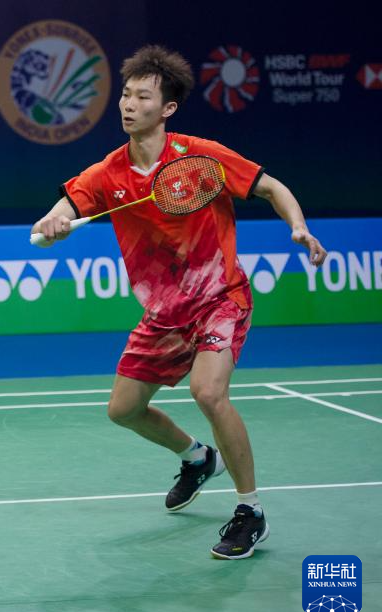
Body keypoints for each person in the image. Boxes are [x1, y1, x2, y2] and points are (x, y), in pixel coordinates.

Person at [33, 46, 326, 559]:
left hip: (220, 297)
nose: (129, 104)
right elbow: (69, 202)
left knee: (207, 392)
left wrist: (298, 227)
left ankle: (251, 511)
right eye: (126, 94)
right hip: (164, 313)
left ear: (167, 108)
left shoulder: (200, 156)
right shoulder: (110, 171)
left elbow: (272, 188)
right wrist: (54, 219)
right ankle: (197, 458)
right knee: (124, 410)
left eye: (143, 97)